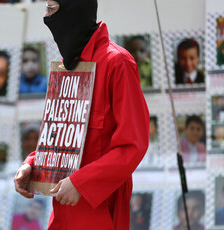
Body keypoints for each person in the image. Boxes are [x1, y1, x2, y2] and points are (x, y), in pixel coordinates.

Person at [14, 1, 150, 229]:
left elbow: (133, 146)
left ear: (73, 8)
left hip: (100, 212)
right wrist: (33, 165)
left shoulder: (118, 63)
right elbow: (65, 141)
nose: (47, 17)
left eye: (52, 8)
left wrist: (82, 183)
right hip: (62, 213)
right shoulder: (68, 65)